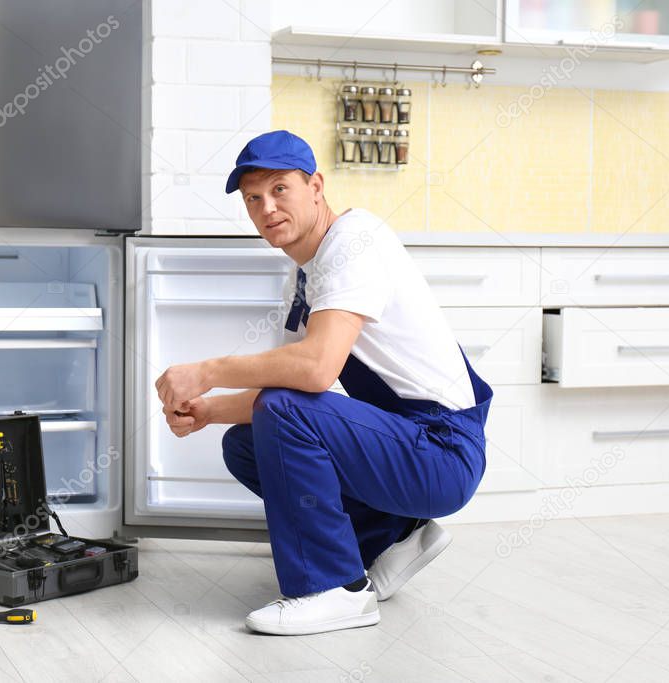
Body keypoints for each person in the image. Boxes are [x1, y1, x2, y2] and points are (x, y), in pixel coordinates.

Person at [154, 130, 494, 636]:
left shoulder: (354, 242)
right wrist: (207, 409)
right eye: (253, 198)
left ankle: (334, 589)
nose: (266, 207)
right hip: (407, 443)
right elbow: (293, 395)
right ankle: (393, 535)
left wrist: (206, 371)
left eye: (279, 189)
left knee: (282, 413)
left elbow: (313, 372)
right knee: (246, 445)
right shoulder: (306, 277)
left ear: (315, 186)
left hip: (441, 451)